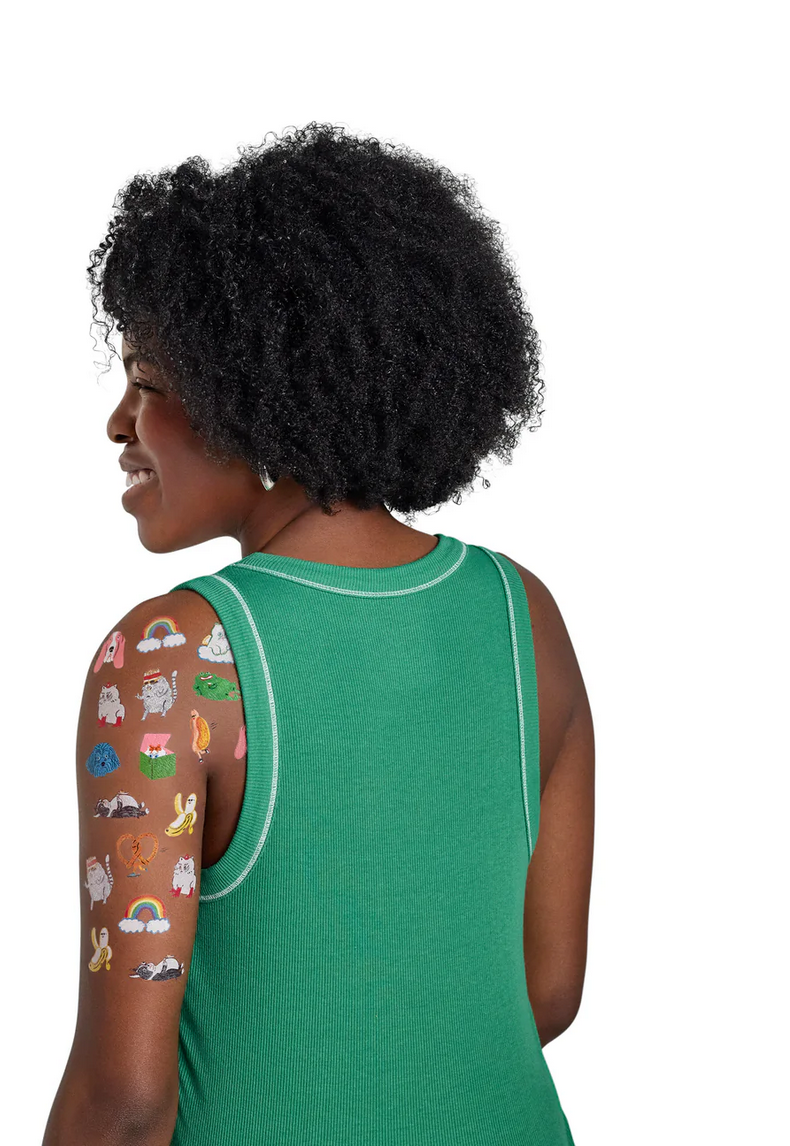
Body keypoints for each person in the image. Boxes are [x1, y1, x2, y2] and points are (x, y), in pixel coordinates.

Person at [43, 122, 593, 1146]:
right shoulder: (525, 616)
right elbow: (544, 991)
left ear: (257, 395)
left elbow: (124, 1099)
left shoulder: (172, 660)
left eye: (151, 383)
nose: (120, 423)